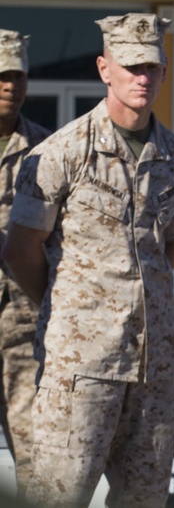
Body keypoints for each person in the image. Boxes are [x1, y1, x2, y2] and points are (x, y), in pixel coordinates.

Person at [3, 13, 174, 508]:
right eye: (130, 65)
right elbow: (21, 250)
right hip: (81, 367)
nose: (142, 77)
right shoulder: (62, 152)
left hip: (153, 370)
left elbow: (172, 244)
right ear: (104, 68)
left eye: (152, 66)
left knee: (143, 499)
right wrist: (71, 310)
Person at [0, 30, 50, 497]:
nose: (10, 85)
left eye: (17, 75)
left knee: (34, 448)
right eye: (1, 75)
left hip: (21, 323)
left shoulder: (46, 149)